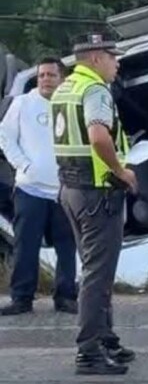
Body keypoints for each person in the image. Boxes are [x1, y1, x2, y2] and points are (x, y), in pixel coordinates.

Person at [51, 33, 138, 375]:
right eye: (113, 57)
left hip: (71, 189)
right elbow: (99, 135)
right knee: (98, 275)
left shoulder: (64, 88)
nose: (117, 64)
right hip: (98, 191)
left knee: (93, 268)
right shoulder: (95, 90)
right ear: (97, 58)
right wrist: (122, 171)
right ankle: (89, 351)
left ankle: (105, 337)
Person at [0, 57, 78, 316]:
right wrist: (23, 165)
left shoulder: (70, 104)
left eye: (51, 75)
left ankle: (66, 296)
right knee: (26, 245)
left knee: (67, 245)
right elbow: (5, 137)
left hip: (63, 190)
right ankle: (22, 298)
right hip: (29, 189)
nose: (45, 79)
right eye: (42, 75)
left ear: (62, 78)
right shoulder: (22, 104)